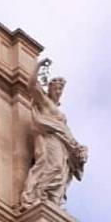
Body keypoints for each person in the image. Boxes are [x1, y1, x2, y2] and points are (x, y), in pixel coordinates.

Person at [20, 57, 87, 210]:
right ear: (49, 88)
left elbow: (65, 131)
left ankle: (49, 198)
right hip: (50, 138)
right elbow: (31, 85)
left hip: (62, 142)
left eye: (60, 90)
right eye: (56, 88)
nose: (58, 92)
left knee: (60, 170)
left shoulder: (59, 112)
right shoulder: (44, 101)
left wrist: (77, 148)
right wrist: (38, 66)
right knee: (54, 166)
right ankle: (36, 194)